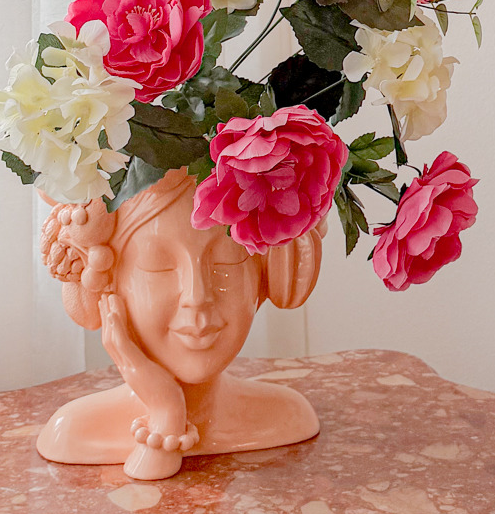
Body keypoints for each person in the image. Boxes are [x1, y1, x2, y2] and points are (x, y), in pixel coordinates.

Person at [35, 166, 321, 478]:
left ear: (264, 279)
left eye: (226, 260)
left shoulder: (288, 416)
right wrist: (165, 412)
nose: (197, 297)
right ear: (109, 283)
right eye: (158, 265)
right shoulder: (73, 433)